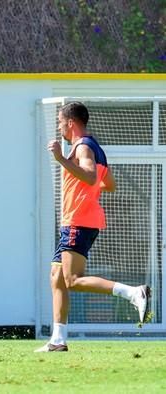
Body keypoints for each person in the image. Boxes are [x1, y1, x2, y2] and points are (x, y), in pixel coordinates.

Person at [35, 102, 151, 353]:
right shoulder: (94, 147)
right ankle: (57, 340)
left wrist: (60, 160)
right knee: (56, 277)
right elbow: (108, 184)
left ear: (70, 123)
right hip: (78, 220)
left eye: (59, 122)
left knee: (72, 280)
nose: (58, 126)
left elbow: (89, 176)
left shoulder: (84, 146)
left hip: (79, 221)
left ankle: (133, 293)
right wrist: (84, 190)